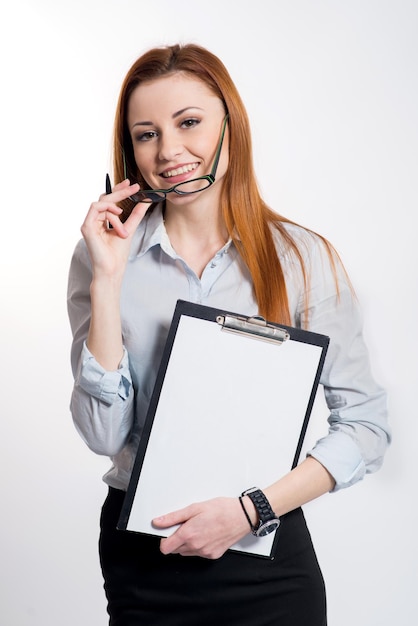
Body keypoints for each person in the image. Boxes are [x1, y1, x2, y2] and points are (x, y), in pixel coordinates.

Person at [67, 43, 390, 626]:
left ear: (229, 127)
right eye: (146, 134)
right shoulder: (102, 258)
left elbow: (366, 427)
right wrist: (109, 281)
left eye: (188, 123)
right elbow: (101, 434)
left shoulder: (300, 259)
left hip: (266, 557)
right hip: (145, 559)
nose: (169, 151)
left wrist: (250, 511)